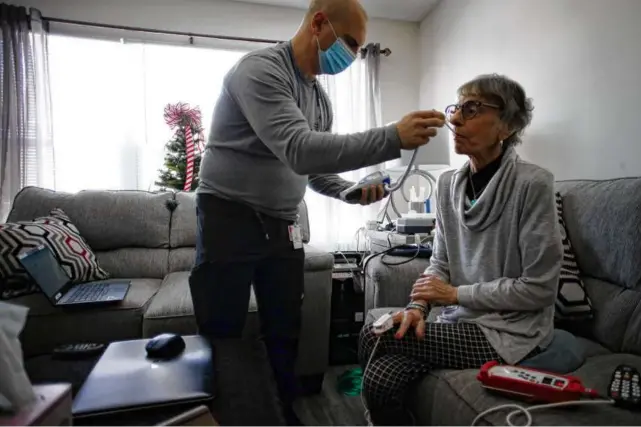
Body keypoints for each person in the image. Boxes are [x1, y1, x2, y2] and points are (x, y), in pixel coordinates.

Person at [188, 0, 446, 424]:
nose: (352, 56)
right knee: (223, 332)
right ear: (319, 23)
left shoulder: (319, 99)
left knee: (285, 329)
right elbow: (299, 148)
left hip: (282, 223)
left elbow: (309, 167)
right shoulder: (260, 71)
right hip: (228, 217)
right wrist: (391, 136)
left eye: (360, 50)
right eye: (350, 44)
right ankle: (222, 414)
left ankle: (283, 411)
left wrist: (348, 191)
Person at [358, 74, 563, 425]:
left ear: (507, 125)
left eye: (472, 109)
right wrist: (417, 307)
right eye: (457, 108)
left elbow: (540, 288)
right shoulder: (447, 184)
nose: (453, 119)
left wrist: (455, 294)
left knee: (374, 331)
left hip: (508, 332)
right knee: (381, 379)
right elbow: (440, 261)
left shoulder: (532, 184)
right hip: (460, 321)